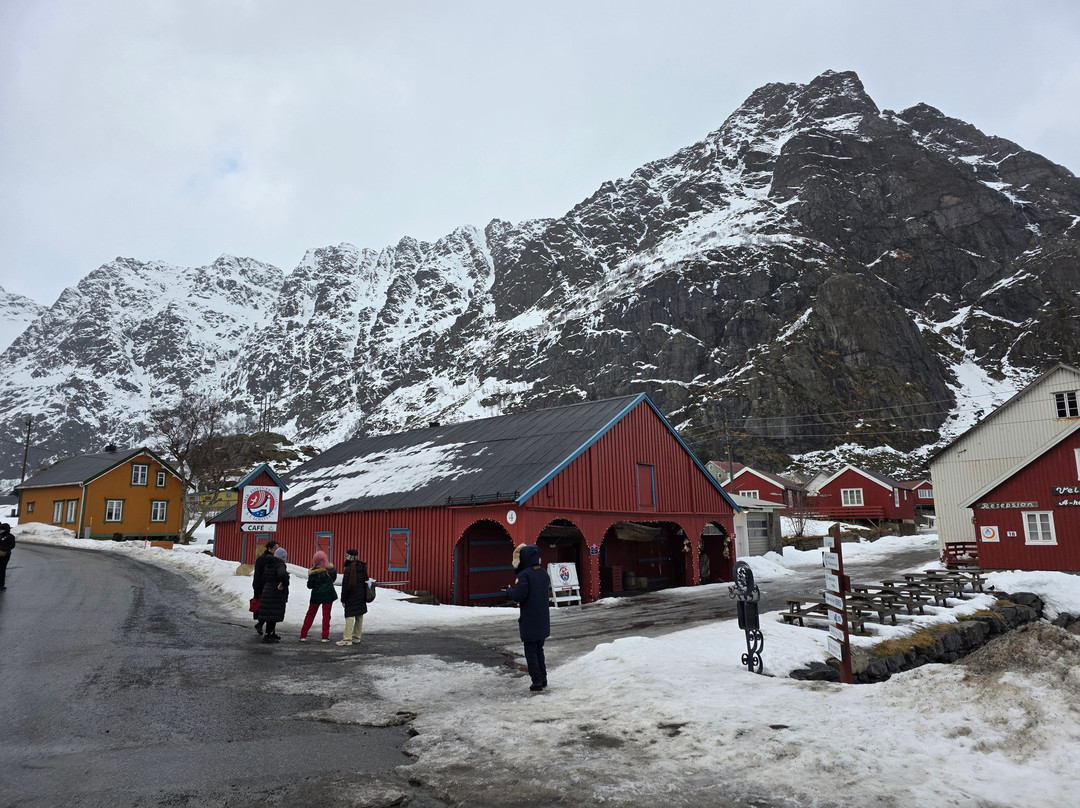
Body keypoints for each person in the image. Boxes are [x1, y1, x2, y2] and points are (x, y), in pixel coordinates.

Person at [505, 543, 550, 692]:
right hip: (543, 620)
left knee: (530, 652)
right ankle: (543, 678)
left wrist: (510, 591)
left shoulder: (524, 575)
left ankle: (536, 681)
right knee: (539, 650)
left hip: (530, 620)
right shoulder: (544, 573)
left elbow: (519, 595)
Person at [299, 550, 337, 642]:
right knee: (326, 615)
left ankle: (303, 635)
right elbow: (334, 579)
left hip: (316, 596)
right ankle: (325, 636)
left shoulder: (313, 572)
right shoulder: (330, 569)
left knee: (310, 615)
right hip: (328, 594)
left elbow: (310, 586)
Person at [257, 546, 290, 643]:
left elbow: (264, 578)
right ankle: (268, 635)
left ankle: (271, 633)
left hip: (267, 591)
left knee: (270, 614)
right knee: (272, 615)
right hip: (275, 593)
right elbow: (283, 575)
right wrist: (284, 584)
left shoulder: (269, 564)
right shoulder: (279, 564)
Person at [336, 549, 369, 646]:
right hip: (361, 595)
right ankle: (356, 637)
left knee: (349, 617)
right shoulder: (362, 566)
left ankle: (347, 638)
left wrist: (343, 599)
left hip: (351, 596)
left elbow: (345, 586)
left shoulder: (349, 568)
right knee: (359, 615)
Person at [252, 540, 279, 635]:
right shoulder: (264, 560)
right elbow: (257, 575)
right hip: (264, 587)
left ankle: (262, 625)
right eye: (275, 548)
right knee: (268, 609)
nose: (277, 550)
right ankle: (268, 631)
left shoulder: (272, 558)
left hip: (267, 587)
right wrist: (256, 588)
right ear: (269, 549)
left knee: (268, 609)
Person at [0, 523, 15, 591]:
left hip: (5, 555)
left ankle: (1, 585)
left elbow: (12, 545)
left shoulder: (10, 536)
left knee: (2, 569)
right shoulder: (0, 535)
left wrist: (5, 549)